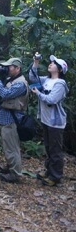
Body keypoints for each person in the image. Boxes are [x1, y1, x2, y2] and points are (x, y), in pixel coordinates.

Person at [29, 53, 69, 186]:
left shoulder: (60, 83)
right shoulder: (47, 80)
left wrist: (38, 93)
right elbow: (32, 77)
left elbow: (52, 99)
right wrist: (36, 62)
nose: (50, 64)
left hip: (55, 122)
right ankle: (49, 171)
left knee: (55, 149)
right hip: (46, 119)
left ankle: (55, 176)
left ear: (60, 69)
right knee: (48, 147)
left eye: (54, 64)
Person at [0, 57, 29, 183]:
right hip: (7, 117)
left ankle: (15, 174)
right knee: (8, 145)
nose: (6, 69)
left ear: (17, 68)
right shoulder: (11, 80)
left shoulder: (20, 83)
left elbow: (5, 94)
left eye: (9, 67)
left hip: (13, 118)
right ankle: (10, 167)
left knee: (12, 147)